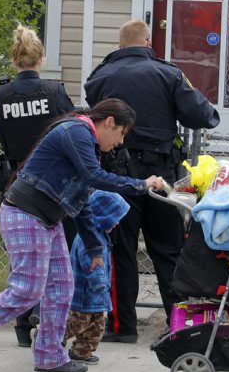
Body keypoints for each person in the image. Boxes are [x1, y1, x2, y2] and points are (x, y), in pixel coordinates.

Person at [0, 98, 164, 372]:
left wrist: (95, 248)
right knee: (26, 291)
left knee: (62, 288)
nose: (120, 142)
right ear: (109, 123)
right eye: (122, 134)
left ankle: (50, 357)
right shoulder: (76, 132)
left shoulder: (85, 142)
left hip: (48, 220)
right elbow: (94, 177)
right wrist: (140, 185)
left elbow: (83, 199)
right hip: (25, 215)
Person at [84, 19, 220, 340]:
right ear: (148, 42)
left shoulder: (100, 76)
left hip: (118, 176)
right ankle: (179, 327)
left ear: (120, 46)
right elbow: (205, 116)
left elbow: (94, 115)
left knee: (122, 252)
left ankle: (122, 327)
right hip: (162, 177)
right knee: (169, 251)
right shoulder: (168, 74)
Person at [0, 23, 75, 347]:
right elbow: (73, 131)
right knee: (54, 255)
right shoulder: (54, 92)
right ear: (41, 58)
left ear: (15, 59)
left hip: (15, 182)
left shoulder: (2, 94)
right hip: (53, 184)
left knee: (22, 257)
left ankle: (23, 325)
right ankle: (50, 321)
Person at [64, 190, 130, 364]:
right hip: (86, 293)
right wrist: (99, 283)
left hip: (97, 295)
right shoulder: (90, 239)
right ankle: (47, 336)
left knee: (96, 326)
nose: (117, 224)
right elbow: (92, 264)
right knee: (77, 323)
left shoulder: (100, 236)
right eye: (114, 219)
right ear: (102, 217)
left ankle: (81, 352)